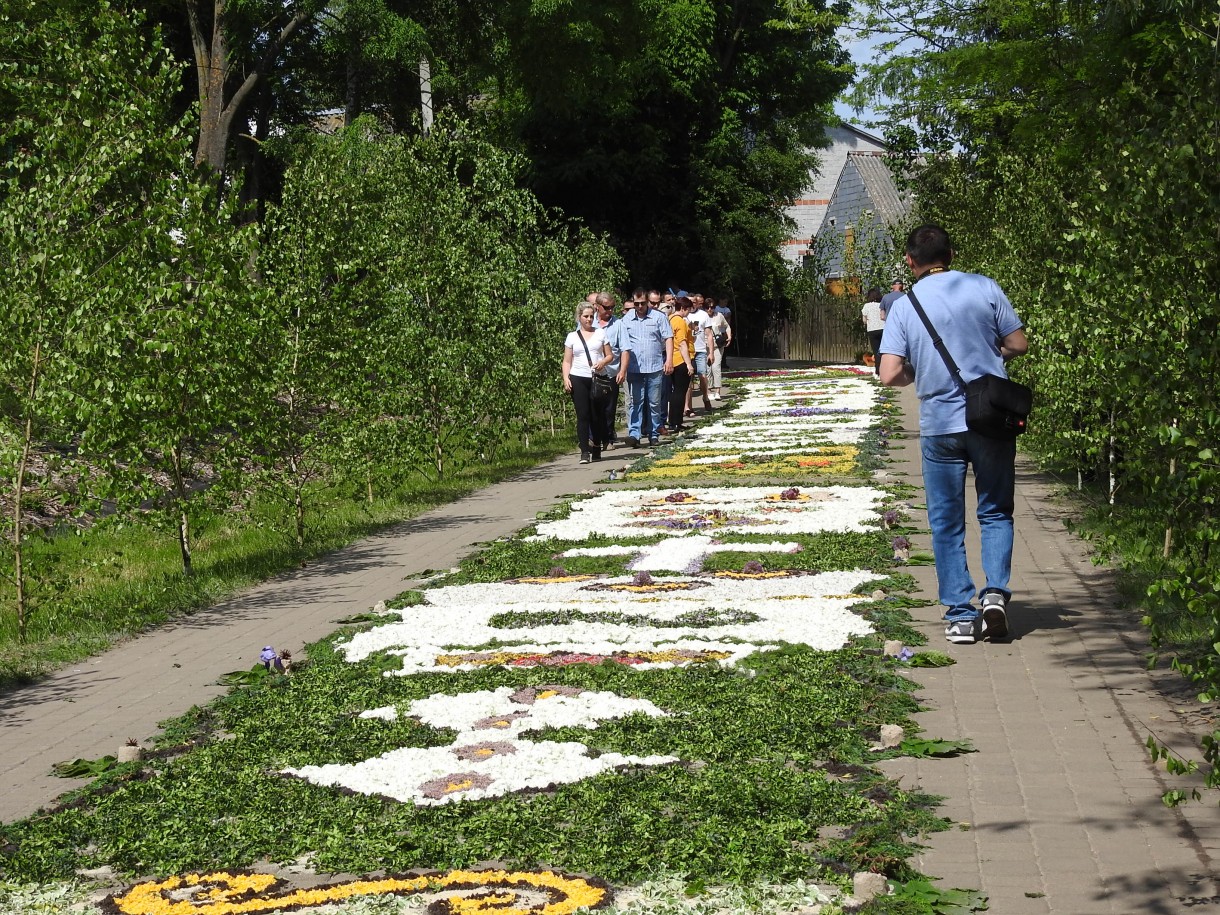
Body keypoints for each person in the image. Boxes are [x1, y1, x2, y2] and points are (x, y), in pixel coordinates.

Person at [879, 224, 1028, 645]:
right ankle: (995, 594)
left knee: (946, 521)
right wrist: (985, 353)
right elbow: (1019, 344)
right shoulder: (984, 287)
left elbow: (889, 373)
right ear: (952, 254)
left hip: (939, 426)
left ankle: (961, 616)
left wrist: (919, 370)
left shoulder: (905, 305)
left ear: (910, 261)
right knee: (996, 510)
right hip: (990, 420)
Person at [562, 302, 614, 463]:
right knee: (582, 415)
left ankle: (597, 447)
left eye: (591, 316)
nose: (589, 319)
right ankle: (585, 451)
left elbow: (610, 355)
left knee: (596, 415)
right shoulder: (572, 336)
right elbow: (566, 361)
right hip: (578, 377)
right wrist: (566, 378)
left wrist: (603, 363)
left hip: (597, 378)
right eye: (586, 316)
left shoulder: (600, 334)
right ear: (579, 317)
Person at [621, 288, 674, 447]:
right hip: (635, 368)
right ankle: (634, 434)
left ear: (647, 302)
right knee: (636, 401)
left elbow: (669, 338)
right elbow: (621, 342)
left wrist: (669, 360)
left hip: (654, 366)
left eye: (642, 303)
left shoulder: (658, 317)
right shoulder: (627, 319)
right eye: (636, 304)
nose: (639, 307)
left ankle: (653, 433)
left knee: (654, 402)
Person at [594, 292, 631, 447]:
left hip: (611, 371)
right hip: (592, 372)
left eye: (612, 308)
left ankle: (608, 437)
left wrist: (622, 371)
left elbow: (625, 349)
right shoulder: (589, 322)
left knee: (609, 408)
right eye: (606, 308)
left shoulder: (618, 324)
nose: (610, 311)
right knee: (594, 407)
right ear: (597, 306)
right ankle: (595, 438)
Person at [668, 296, 697, 434]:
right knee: (680, 392)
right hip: (681, 360)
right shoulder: (679, 321)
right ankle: (676, 422)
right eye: (688, 310)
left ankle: (673, 421)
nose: (688, 313)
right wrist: (688, 364)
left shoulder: (671, 319)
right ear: (683, 308)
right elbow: (682, 343)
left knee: (676, 392)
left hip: (673, 359)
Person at [707, 297, 731, 398]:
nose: (709, 309)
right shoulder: (702, 316)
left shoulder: (719, 315)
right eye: (707, 307)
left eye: (712, 307)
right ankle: (708, 391)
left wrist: (729, 337)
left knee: (716, 367)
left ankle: (717, 391)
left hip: (717, 346)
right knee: (707, 369)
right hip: (705, 347)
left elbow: (727, 326)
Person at [861, 287, 885, 377]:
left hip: (872, 330)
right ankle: (886, 369)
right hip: (883, 329)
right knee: (884, 350)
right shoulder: (882, 305)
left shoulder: (866, 306)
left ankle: (878, 371)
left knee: (876, 351)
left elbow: (864, 320)